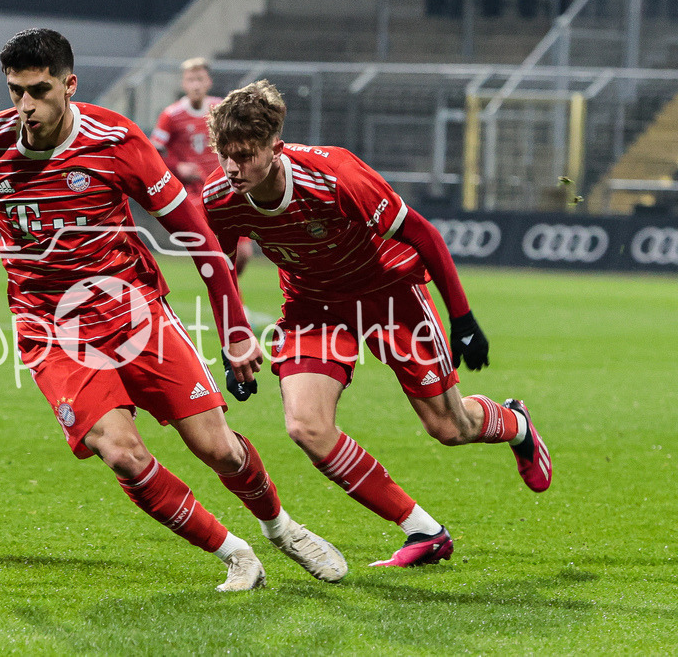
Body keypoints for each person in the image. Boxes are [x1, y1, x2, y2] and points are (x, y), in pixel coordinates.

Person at [0, 29, 348, 591]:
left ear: (69, 84)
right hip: (48, 328)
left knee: (218, 448)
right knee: (122, 454)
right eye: (16, 92)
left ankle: (281, 529)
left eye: (39, 91)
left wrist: (234, 330)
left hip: (133, 312)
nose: (25, 107)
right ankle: (236, 556)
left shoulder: (115, 141)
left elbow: (199, 237)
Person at [201, 80, 553, 567]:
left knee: (450, 428)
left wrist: (463, 317)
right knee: (306, 426)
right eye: (224, 154)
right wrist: (233, 338)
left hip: (390, 297)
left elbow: (423, 234)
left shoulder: (336, 176)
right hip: (314, 306)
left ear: (275, 148)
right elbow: (219, 264)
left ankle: (515, 424)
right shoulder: (220, 196)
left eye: (244, 155)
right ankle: (424, 531)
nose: (232, 168)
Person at [151, 58, 254, 275]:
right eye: (190, 80)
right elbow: (154, 153)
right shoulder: (171, 115)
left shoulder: (220, 110)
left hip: (227, 188)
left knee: (244, 254)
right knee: (219, 252)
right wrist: (179, 168)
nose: (195, 84)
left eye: (200, 79)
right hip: (196, 194)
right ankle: (232, 304)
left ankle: (231, 298)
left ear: (208, 82)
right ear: (183, 84)